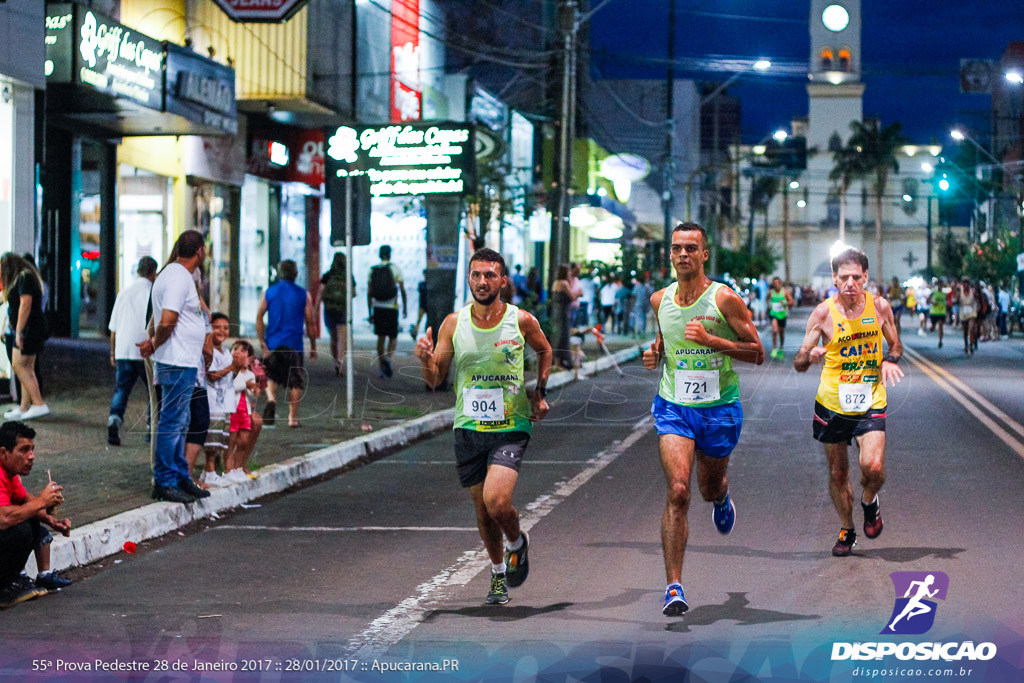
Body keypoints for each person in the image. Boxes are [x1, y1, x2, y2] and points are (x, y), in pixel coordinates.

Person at [414, 248, 552, 606]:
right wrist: (425, 359)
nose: (482, 281)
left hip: (511, 423)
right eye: (476, 275)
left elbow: (545, 350)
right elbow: (435, 379)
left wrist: (539, 392)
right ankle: (497, 574)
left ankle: (517, 542)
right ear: (469, 279)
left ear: (502, 281)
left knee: (497, 499)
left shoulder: (521, 321)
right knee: (482, 511)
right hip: (469, 426)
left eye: (490, 275)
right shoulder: (453, 324)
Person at [642, 223, 765, 617]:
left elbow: (758, 352)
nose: (683, 254)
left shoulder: (725, 300)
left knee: (708, 487)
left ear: (704, 254)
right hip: (674, 406)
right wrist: (654, 353)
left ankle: (722, 496)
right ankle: (674, 587)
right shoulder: (658, 299)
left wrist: (715, 342)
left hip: (719, 408)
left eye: (691, 248)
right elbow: (664, 339)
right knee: (678, 490)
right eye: (677, 248)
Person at [793, 247, 903, 557]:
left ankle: (869, 500)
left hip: (870, 399)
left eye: (856, 277)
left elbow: (895, 344)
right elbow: (798, 362)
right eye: (844, 278)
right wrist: (808, 356)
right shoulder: (823, 314)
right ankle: (847, 528)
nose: (850, 283)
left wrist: (889, 359)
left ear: (866, 277)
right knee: (838, 474)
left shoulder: (880, 307)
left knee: (874, 466)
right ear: (834, 278)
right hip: (832, 404)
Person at [136, 230, 212, 504]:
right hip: (177, 360)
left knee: (180, 420)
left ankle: (179, 476)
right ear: (200, 251)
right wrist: (155, 344)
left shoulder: (173, 275)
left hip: (182, 360)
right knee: (172, 421)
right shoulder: (178, 277)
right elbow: (167, 320)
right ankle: (166, 481)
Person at [0, 421, 72, 609]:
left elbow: (24, 499)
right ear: (3, 453)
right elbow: (3, 518)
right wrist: (42, 501)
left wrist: (52, 521)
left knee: (31, 523)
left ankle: (12, 581)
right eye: (24, 450)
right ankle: (3, 587)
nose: (31, 456)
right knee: (21, 530)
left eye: (32, 449)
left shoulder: (10, 473)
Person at [257, 260, 317, 428]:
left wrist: (262, 342)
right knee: (296, 381)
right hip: (294, 344)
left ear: (279, 273)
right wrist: (313, 346)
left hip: (273, 343)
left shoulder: (269, 292)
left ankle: (271, 398)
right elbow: (310, 323)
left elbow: (259, 317)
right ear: (296, 274)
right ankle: (292, 418)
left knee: (271, 375)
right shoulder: (304, 295)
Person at [106, 256, 159, 445]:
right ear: (153, 272)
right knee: (153, 390)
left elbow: (113, 327)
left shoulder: (124, 292)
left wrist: (113, 352)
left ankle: (114, 420)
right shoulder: (153, 292)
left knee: (122, 389)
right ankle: (151, 429)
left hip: (124, 349)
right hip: (146, 348)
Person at [1, 253, 49, 420]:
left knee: (19, 366)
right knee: (27, 368)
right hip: (32, 328)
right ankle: (24, 407)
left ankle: (38, 403)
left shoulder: (24, 278)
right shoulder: (27, 276)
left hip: (29, 330)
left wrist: (19, 332)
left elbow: (25, 304)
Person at [200, 313, 243, 488]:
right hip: (212, 401)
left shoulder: (225, 352)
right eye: (217, 327)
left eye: (225, 328)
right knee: (211, 440)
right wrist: (233, 366)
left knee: (219, 439)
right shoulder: (209, 352)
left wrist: (237, 368)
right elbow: (212, 376)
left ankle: (207, 471)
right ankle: (210, 472)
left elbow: (228, 377)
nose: (222, 331)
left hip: (225, 402)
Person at [367, 245, 407, 379]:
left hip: (378, 307)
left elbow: (370, 293)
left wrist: (370, 311)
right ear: (390, 254)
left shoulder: (372, 270)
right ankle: (388, 358)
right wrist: (405, 307)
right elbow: (402, 290)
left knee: (380, 337)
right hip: (392, 307)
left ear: (379, 255)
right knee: (393, 336)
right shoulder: (395, 269)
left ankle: (381, 366)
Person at [224, 340, 260, 483]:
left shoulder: (250, 374)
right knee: (231, 440)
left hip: (244, 410)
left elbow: (250, 395)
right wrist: (246, 385)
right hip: (232, 410)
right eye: (235, 349)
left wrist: (254, 390)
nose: (238, 352)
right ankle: (228, 469)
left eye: (243, 351)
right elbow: (229, 386)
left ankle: (238, 467)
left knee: (243, 440)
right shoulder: (229, 371)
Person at [317, 253, 356, 377]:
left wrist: (315, 309)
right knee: (342, 339)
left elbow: (320, 292)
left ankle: (335, 362)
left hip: (329, 310)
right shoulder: (348, 276)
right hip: (343, 310)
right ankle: (340, 364)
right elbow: (354, 293)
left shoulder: (327, 276)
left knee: (333, 339)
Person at [548, 264, 574, 370]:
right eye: (569, 272)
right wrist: (578, 292)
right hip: (562, 313)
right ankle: (559, 362)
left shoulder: (555, 283)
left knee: (557, 335)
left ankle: (557, 360)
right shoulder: (564, 283)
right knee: (563, 336)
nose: (570, 274)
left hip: (556, 312)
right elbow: (572, 296)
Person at [768, 277, 795, 359]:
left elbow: (791, 302)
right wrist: (769, 305)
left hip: (782, 315)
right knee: (775, 330)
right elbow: (767, 299)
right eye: (775, 283)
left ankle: (781, 347)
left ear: (780, 284)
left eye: (778, 283)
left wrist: (784, 302)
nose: (776, 285)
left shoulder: (785, 292)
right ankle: (774, 348)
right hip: (773, 314)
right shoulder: (771, 292)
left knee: (781, 333)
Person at [958, 277, 978, 355]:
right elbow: (956, 300)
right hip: (963, 312)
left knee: (971, 328)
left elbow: (977, 299)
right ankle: (966, 344)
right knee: (965, 330)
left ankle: (971, 344)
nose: (965, 285)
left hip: (972, 312)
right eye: (964, 283)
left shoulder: (973, 292)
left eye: (967, 283)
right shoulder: (960, 292)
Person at [929, 279, 946, 349]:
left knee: (941, 326)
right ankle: (933, 326)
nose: (940, 286)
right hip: (934, 312)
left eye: (941, 285)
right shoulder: (933, 293)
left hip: (942, 312)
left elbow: (948, 301)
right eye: (939, 284)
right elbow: (928, 300)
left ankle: (940, 340)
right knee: (933, 328)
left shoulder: (944, 294)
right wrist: (933, 303)